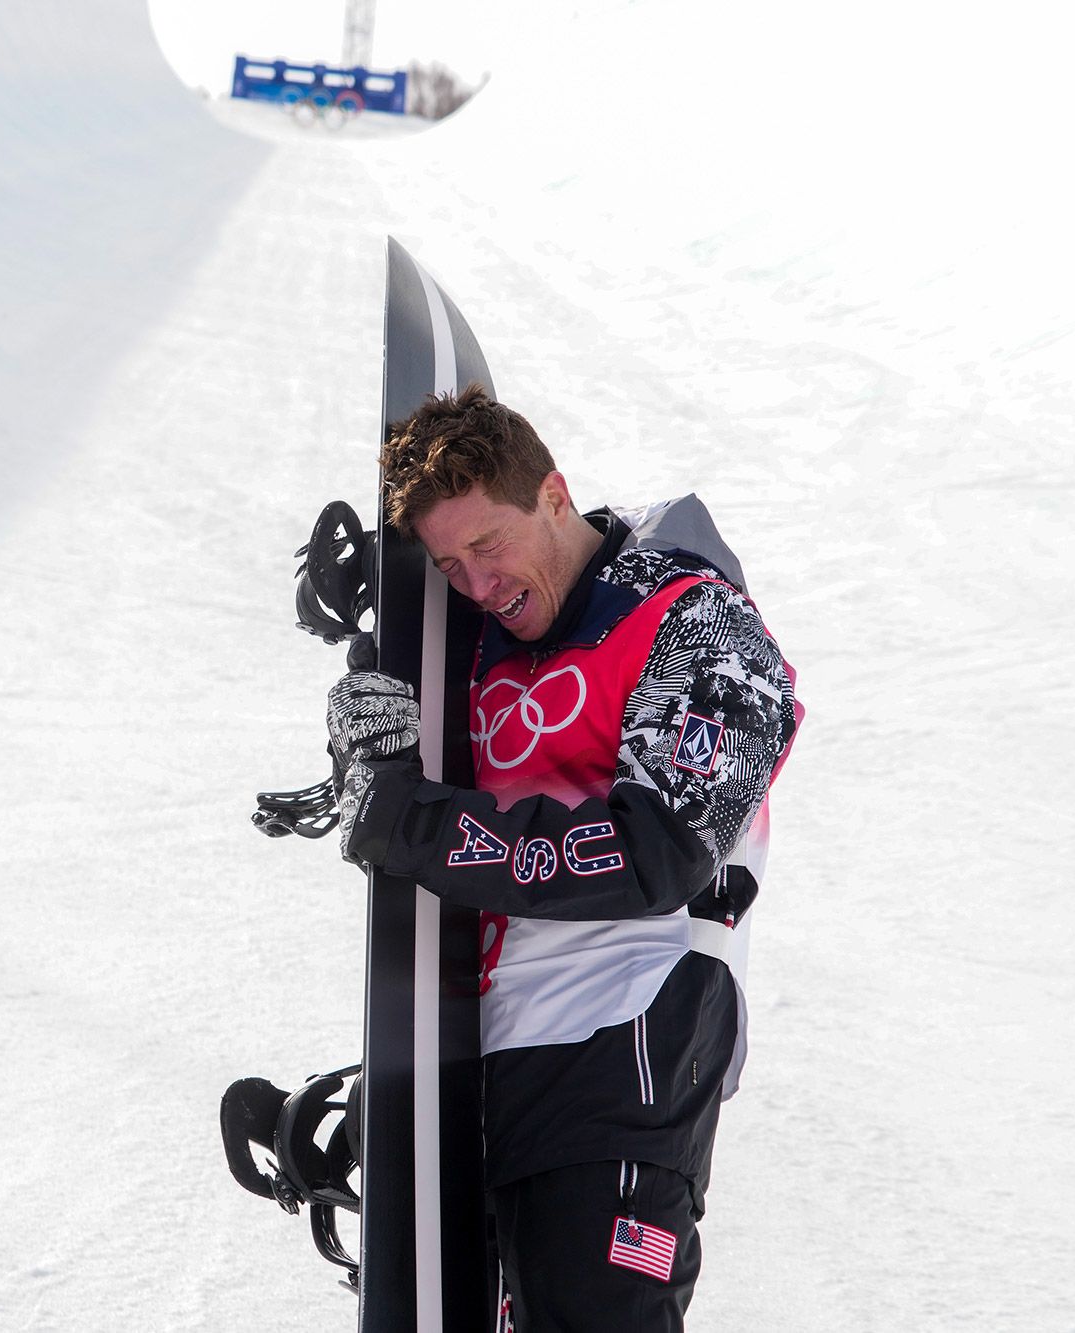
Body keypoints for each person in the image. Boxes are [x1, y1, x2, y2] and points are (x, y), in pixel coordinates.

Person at [326, 384, 801, 1331]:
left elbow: (651, 853)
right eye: (449, 565)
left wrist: (411, 821)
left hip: (624, 1040)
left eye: (488, 546)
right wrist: (364, 738)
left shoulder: (695, 623)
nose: (475, 584)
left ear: (553, 493)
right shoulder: (478, 645)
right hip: (475, 1058)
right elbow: (417, 803)